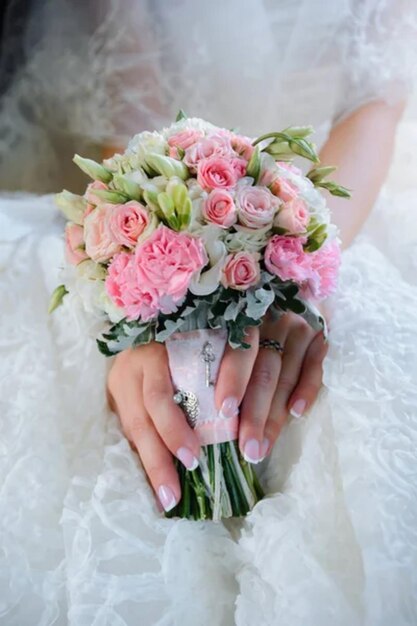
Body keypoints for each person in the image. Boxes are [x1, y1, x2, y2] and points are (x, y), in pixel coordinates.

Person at [0, 1, 417, 624]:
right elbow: (135, 124)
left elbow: (373, 109)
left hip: (333, 209)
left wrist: (291, 273)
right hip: (166, 206)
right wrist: (149, 295)